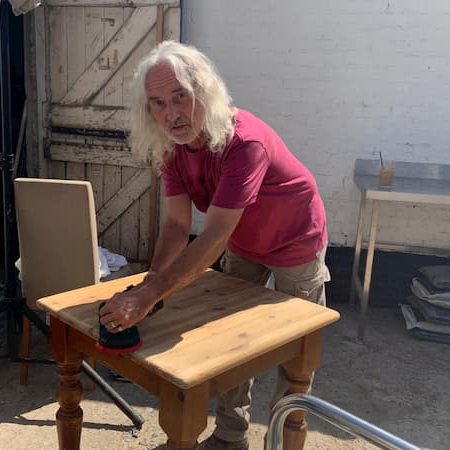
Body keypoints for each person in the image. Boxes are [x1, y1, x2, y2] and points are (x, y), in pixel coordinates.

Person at [99, 41, 330, 450]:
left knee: (295, 355)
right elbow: (175, 223)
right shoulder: (171, 147)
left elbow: (214, 235)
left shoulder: (244, 143)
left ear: (203, 92)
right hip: (244, 242)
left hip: (295, 240)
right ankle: (229, 438)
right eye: (157, 103)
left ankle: (281, 442)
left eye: (180, 97)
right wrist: (150, 287)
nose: (171, 114)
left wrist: (149, 295)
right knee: (234, 343)